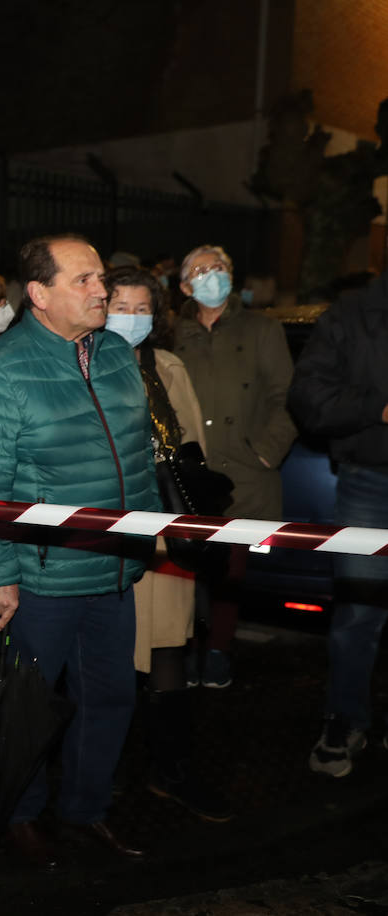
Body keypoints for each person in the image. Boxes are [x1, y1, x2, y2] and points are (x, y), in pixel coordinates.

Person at [0, 234, 160, 867]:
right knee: (24, 711)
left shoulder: (119, 355)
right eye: (85, 280)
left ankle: (85, 810)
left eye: (101, 278)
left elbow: (136, 457)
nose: (102, 290)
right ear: (39, 294)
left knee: (109, 699)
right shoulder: (1, 370)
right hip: (38, 580)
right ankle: (18, 817)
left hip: (113, 570)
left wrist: (146, 532)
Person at [104, 265, 232, 822]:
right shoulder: (77, 363)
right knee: (107, 660)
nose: (130, 319)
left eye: (141, 309)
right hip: (105, 537)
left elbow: (192, 453)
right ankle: (98, 779)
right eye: (120, 307)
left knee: (167, 654)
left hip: (165, 535)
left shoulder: (169, 368)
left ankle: (171, 771)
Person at [171, 244, 297, 689]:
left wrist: (265, 449)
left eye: (219, 267)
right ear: (185, 285)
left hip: (243, 469)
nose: (212, 275)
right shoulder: (175, 332)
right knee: (184, 569)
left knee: (229, 572)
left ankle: (219, 651)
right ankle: (183, 649)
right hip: (190, 473)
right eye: (200, 270)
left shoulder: (263, 328)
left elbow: (288, 396)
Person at [288, 270, 388, 778]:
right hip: (371, 482)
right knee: (359, 614)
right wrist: (379, 406)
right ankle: (345, 719)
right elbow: (307, 399)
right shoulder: (351, 315)